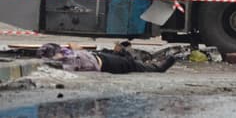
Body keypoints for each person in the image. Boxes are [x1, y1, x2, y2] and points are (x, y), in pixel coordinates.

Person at [36, 42, 175, 74]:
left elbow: (75, 49)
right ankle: (158, 68)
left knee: (124, 54)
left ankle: (148, 61)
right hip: (105, 64)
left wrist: (74, 48)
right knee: (130, 64)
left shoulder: (66, 54)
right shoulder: (64, 64)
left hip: (99, 56)